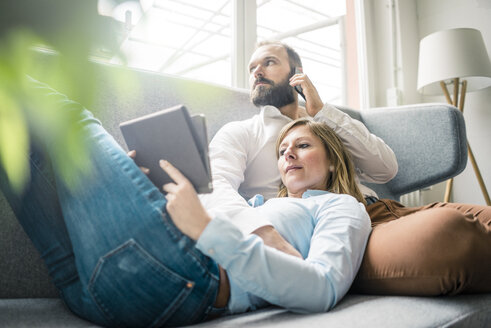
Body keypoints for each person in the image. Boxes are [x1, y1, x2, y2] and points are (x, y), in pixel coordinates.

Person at [0, 78, 371, 327]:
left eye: (303, 146)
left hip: (185, 280)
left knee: (48, 107)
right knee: (14, 136)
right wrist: (137, 191)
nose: (288, 155)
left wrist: (209, 229)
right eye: (283, 149)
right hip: (90, 291)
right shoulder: (253, 203)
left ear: (335, 159)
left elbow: (321, 288)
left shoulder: (342, 207)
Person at [202, 40, 491, 296]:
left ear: (296, 73)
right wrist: (261, 232)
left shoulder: (323, 124)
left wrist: (322, 112)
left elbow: (386, 169)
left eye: (269, 62)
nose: (257, 71)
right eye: (252, 66)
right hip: (335, 231)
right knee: (451, 233)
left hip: (380, 208)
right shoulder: (241, 133)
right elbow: (212, 188)